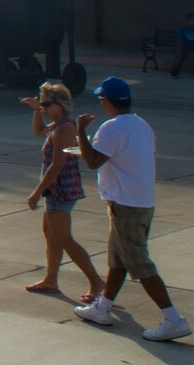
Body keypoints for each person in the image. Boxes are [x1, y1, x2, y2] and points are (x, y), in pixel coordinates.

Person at [71, 78, 188, 340]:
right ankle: (102, 308)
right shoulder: (141, 125)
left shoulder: (111, 128)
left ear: (107, 102)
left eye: (101, 100)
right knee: (118, 259)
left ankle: (173, 319)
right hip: (142, 202)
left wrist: (80, 130)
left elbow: (92, 161)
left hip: (126, 205)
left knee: (139, 263)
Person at [21, 82, 101, 301]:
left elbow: (56, 165)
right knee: (51, 234)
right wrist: (37, 110)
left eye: (47, 103)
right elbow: (38, 132)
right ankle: (51, 280)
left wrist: (36, 192)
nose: (43, 107)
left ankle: (96, 281)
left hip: (61, 189)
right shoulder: (56, 125)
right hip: (54, 189)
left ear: (61, 104)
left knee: (64, 238)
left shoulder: (65, 128)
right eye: (42, 103)